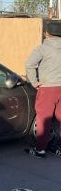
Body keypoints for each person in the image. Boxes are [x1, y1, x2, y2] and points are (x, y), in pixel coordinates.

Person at [25, 20, 61, 158]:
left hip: (48, 88)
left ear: (46, 33)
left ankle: (40, 150)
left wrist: (34, 82)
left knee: (44, 119)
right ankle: (59, 148)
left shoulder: (41, 49)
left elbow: (29, 64)